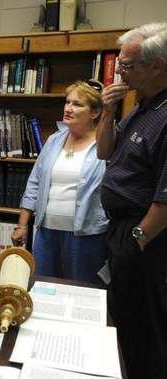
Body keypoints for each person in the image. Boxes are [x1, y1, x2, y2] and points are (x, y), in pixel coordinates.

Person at [95, 22, 167, 379]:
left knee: (144, 334)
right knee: (123, 324)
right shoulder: (141, 107)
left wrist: (136, 242)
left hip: (146, 239)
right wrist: (108, 112)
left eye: (128, 66)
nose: (119, 73)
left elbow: (166, 198)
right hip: (122, 230)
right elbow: (105, 151)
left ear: (158, 65)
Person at [12, 80, 108, 284]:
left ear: (95, 112)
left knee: (82, 291)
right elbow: (35, 182)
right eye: (67, 102)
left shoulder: (106, 144)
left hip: (86, 236)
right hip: (46, 232)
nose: (68, 108)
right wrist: (22, 225)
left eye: (77, 104)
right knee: (43, 288)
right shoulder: (55, 140)